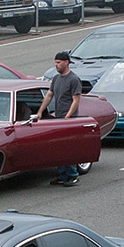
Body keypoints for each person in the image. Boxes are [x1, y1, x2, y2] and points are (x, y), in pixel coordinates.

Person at [35, 52, 83, 186]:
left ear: (66, 62)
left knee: (68, 148)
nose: (56, 65)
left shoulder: (74, 79)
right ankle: (62, 175)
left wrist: (68, 116)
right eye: (55, 63)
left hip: (69, 120)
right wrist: (40, 112)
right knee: (59, 148)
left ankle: (73, 175)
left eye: (58, 63)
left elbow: (76, 100)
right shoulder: (56, 78)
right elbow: (49, 95)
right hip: (58, 118)